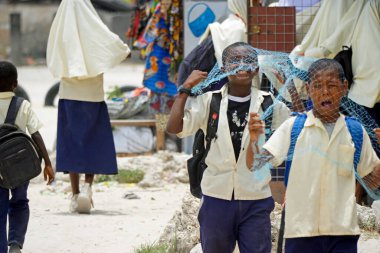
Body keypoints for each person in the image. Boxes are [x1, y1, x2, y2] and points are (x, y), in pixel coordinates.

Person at [167, 42, 290, 253]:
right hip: (216, 197)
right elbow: (173, 127)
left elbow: (294, 129)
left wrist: (289, 88)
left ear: (257, 69)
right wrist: (184, 90)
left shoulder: (270, 104)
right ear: (223, 69)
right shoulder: (209, 101)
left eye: (248, 61)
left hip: (256, 198)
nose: (241, 65)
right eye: (235, 61)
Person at [246, 59, 380, 253]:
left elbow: (372, 182)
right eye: (317, 86)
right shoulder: (294, 128)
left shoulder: (355, 132)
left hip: (342, 236)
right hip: (300, 234)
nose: (325, 92)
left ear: (344, 88)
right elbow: (255, 165)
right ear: (308, 89)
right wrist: (254, 142)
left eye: (332, 85)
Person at [46, 0, 130, 213]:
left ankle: (74, 194)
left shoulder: (61, 22)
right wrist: (122, 50)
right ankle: (88, 187)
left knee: (72, 141)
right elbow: (113, 45)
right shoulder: (92, 23)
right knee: (92, 139)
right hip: (93, 92)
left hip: (68, 93)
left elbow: (53, 53)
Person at [0, 61, 55, 253]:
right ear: (15, 84)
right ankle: (15, 243)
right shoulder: (23, 105)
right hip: (19, 165)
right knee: (20, 202)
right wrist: (47, 163)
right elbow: (36, 134)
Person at [176, 0, 247, 92]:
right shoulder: (232, 30)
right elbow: (188, 67)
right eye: (255, 2)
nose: (260, 5)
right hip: (223, 99)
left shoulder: (244, 29)